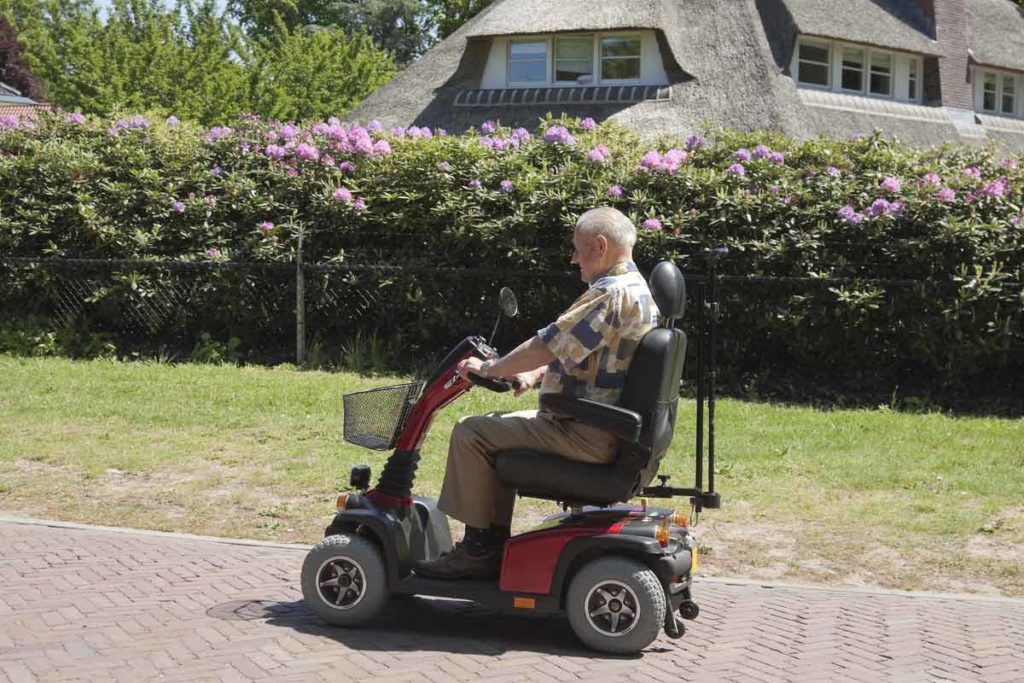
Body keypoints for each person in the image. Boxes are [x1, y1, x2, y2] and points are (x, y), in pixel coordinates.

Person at [414, 206, 660, 580]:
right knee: (495, 430)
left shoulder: (609, 294)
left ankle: (479, 550)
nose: (574, 258)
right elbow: (589, 353)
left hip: (582, 432)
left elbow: (549, 342)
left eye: (578, 249)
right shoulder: (638, 292)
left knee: (472, 431)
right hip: (602, 427)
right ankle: (490, 544)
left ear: (600, 245)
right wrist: (535, 373)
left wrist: (490, 369)